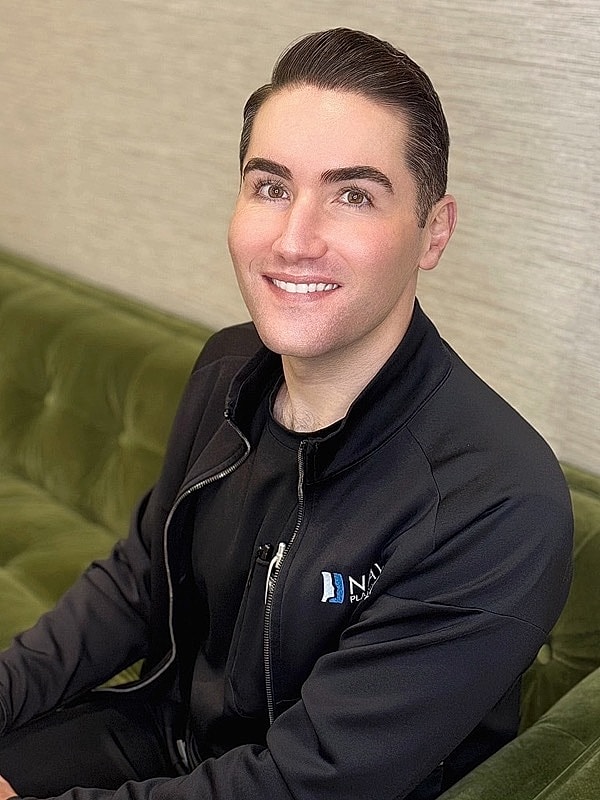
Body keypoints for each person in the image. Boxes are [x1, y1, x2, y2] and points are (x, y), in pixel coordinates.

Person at [0, 27, 572, 800]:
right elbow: (140, 580)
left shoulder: (498, 501)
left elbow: (311, 782)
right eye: (271, 187)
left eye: (353, 195)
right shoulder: (229, 366)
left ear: (433, 232)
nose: (294, 239)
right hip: (166, 733)